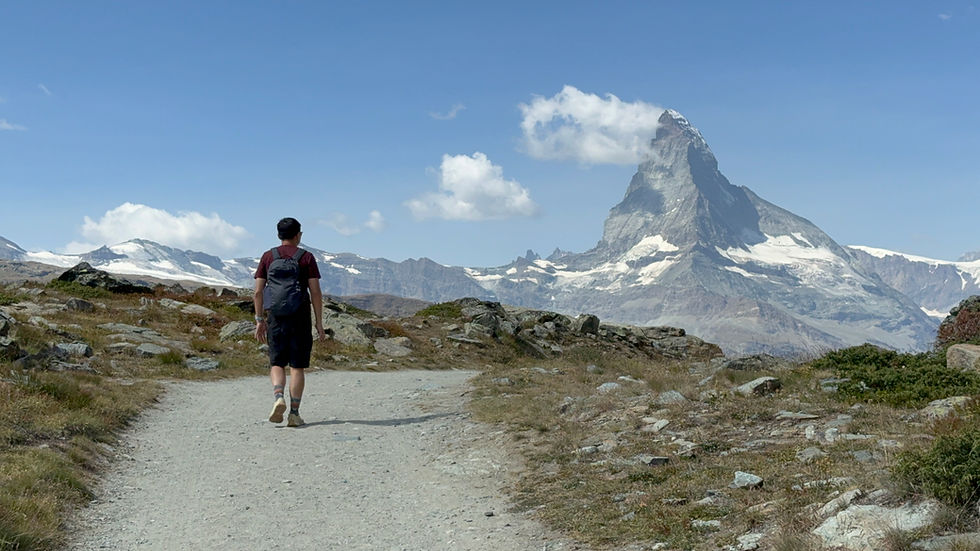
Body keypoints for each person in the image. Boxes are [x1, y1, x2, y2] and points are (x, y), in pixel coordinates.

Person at [253, 217, 327, 427]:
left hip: (276, 317)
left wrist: (259, 320)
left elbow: (258, 292)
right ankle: (294, 413)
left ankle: (278, 397)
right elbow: (315, 292)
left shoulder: (268, 256)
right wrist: (319, 322)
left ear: (279, 235)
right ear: (298, 235)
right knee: (297, 366)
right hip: (300, 316)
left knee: (276, 363)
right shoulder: (306, 257)